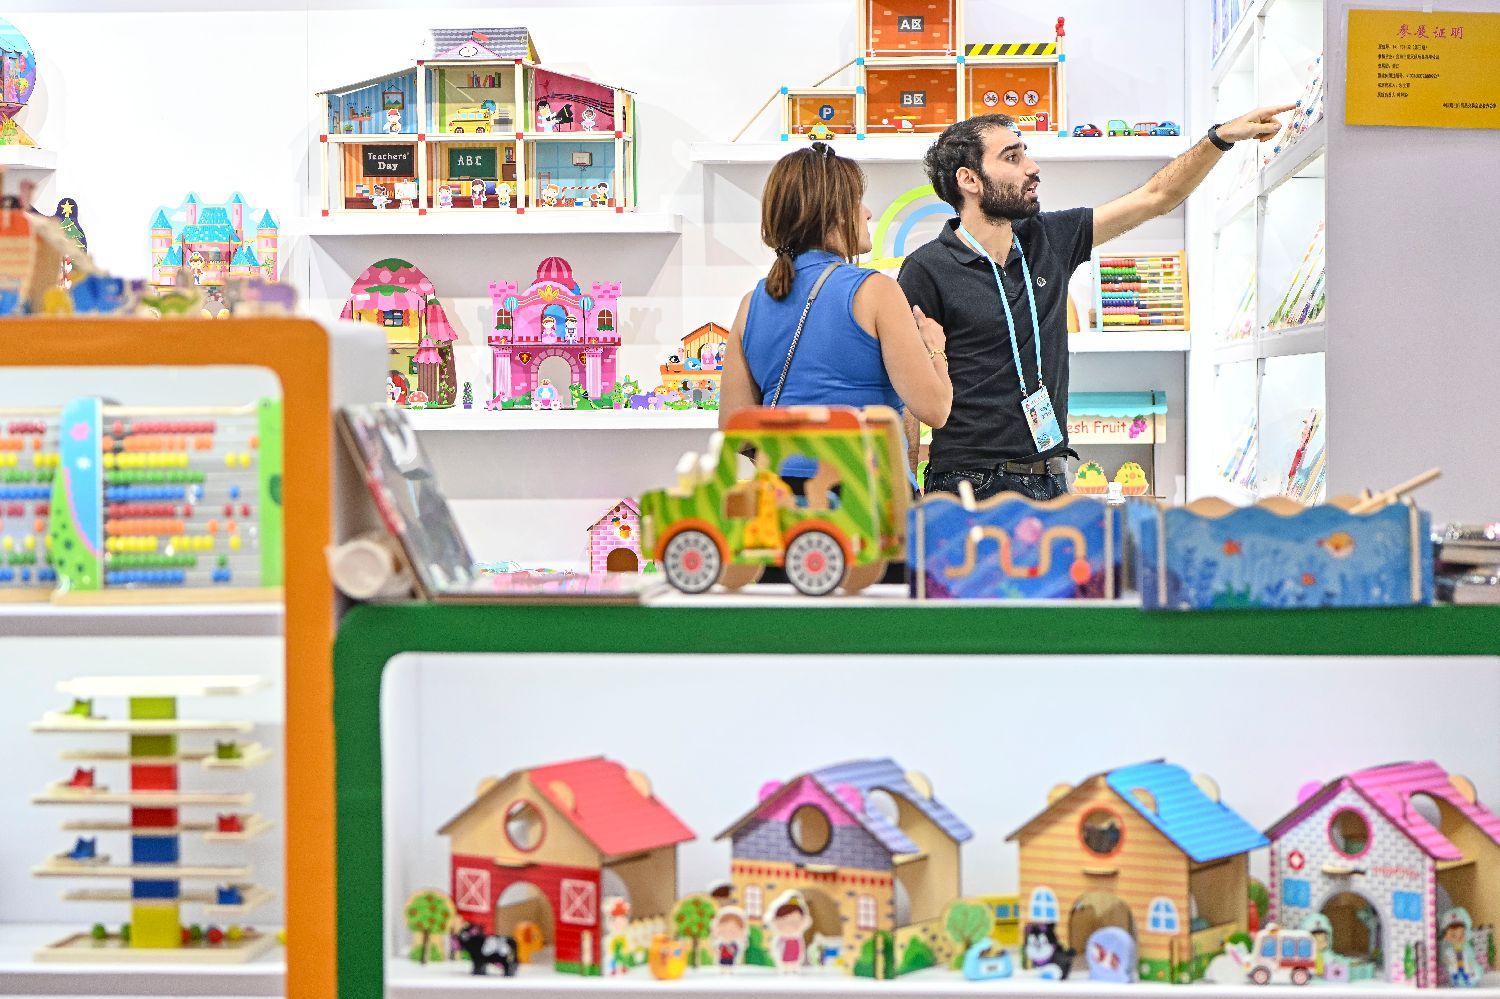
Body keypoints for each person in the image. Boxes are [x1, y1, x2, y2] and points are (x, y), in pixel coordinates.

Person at [900, 106, 1294, 501]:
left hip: (1051, 479)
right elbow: (904, 392)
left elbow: (1156, 198)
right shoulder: (926, 269)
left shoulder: (1048, 238)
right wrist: (905, 489)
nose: (1032, 168)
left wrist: (1219, 138)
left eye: (1025, 154)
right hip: (968, 486)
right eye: (1012, 158)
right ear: (969, 179)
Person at [718, 141, 952, 494]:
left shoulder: (752, 304)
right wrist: (936, 349)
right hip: (868, 500)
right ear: (836, 213)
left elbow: (735, 431)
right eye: (858, 201)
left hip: (785, 502)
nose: (867, 213)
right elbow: (935, 409)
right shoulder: (875, 292)